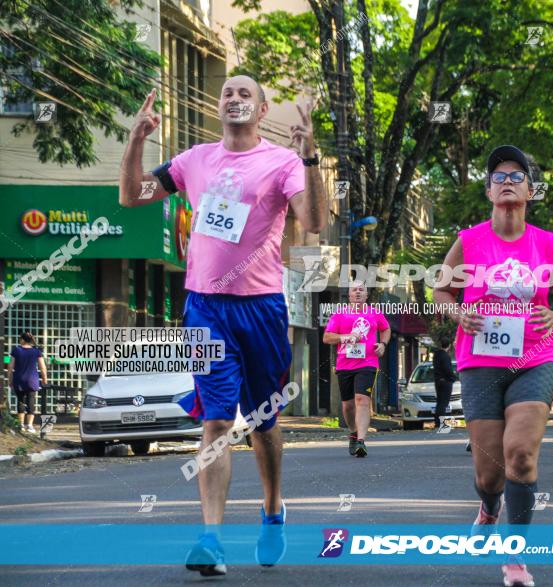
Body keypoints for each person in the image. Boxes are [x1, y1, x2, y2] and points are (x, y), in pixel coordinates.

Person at [119, 76, 328, 575]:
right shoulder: (193, 160)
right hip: (205, 308)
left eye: (244, 94)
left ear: (261, 109)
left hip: (260, 308)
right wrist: (136, 140)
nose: (233, 98)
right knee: (216, 419)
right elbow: (131, 196)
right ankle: (210, 538)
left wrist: (311, 159)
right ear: (220, 107)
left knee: (262, 421)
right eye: (227, 93)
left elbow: (315, 221)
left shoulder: (282, 162)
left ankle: (273, 508)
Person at [434, 145, 553, 587]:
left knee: (520, 456)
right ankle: (489, 507)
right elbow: (441, 293)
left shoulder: (548, 243)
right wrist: (458, 313)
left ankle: (515, 558)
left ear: (531, 191)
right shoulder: (470, 240)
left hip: (533, 357)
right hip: (479, 362)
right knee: (489, 471)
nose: (508, 181)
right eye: (500, 176)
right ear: (489, 191)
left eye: (518, 175)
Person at [323, 280, 391, 455]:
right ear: (350, 295)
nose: (358, 292)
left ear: (367, 295)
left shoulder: (374, 313)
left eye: (362, 290)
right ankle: (353, 433)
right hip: (344, 363)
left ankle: (361, 441)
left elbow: (386, 329)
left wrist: (382, 344)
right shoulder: (340, 314)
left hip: (368, 363)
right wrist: (346, 337)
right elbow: (327, 338)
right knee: (347, 406)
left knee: (362, 399)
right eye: (355, 290)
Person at [6, 331, 47, 434]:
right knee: (31, 401)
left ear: (23, 340)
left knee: (20, 401)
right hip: (32, 380)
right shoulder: (36, 351)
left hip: (19, 379)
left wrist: (9, 380)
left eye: (20, 339)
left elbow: (10, 367)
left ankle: (21, 425)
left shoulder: (16, 350)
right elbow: (42, 367)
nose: (20, 340)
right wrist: (44, 379)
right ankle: (29, 425)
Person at [432, 337, 457, 431]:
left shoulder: (436, 355)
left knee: (439, 402)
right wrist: (453, 377)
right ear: (449, 346)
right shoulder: (445, 356)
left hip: (438, 381)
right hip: (446, 382)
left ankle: (437, 422)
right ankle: (441, 424)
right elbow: (447, 369)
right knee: (444, 403)